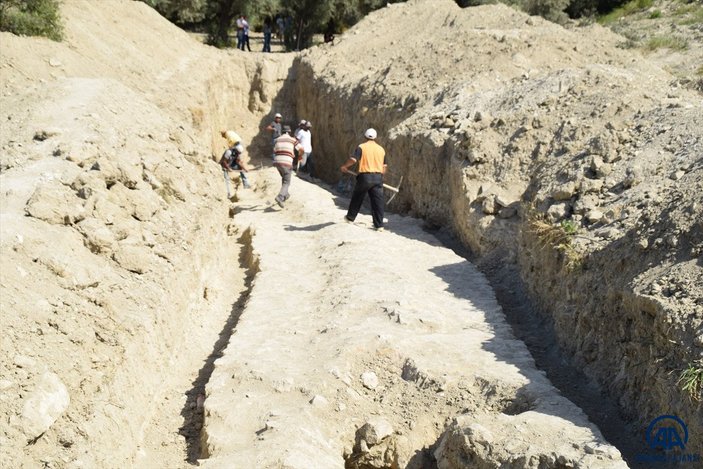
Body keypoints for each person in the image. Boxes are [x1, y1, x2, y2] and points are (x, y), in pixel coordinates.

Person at [340, 128, 387, 231]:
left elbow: (353, 159)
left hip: (365, 177)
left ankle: (350, 218)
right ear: (375, 137)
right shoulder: (381, 149)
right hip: (378, 177)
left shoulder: (361, 147)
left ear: (365, 136)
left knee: (357, 197)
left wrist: (345, 166)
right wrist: (379, 176)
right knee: (377, 202)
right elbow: (384, 167)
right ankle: (379, 225)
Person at [272, 125, 302, 208]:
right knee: (287, 182)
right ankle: (280, 197)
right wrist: (300, 156)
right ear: (289, 132)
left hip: (277, 163)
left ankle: (286, 194)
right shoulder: (292, 140)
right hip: (287, 163)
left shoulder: (277, 139)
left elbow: (274, 151)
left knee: (284, 178)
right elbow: (301, 149)